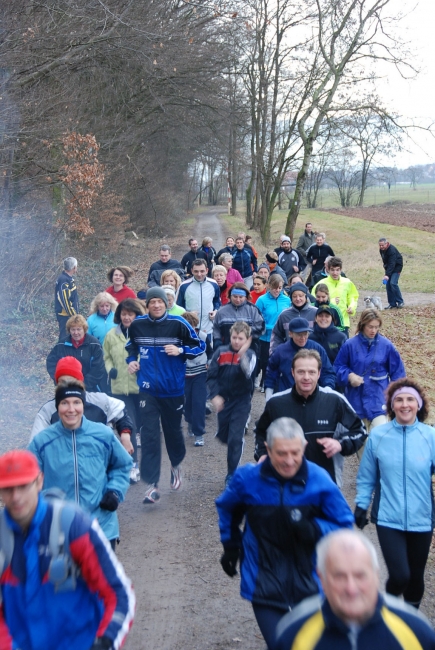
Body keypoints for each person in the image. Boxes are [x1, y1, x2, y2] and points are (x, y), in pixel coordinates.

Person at [216, 418, 354, 650]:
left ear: (304, 448)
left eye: (295, 453)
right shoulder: (248, 479)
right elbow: (228, 508)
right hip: (263, 577)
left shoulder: (319, 479)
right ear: (268, 450)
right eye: (281, 453)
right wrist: (230, 545)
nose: (289, 461)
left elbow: (344, 525)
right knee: (281, 645)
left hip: (311, 580)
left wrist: (314, 529)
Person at [0, 449, 135, 650]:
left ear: (39, 482)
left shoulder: (74, 526)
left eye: (23, 486)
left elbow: (119, 594)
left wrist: (106, 641)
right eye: (8, 488)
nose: (16, 497)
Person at [276, 529, 435, 650]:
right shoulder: (292, 635)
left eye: (360, 576)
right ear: (322, 578)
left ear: (376, 575)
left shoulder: (417, 632)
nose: (351, 589)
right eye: (339, 576)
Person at [355, 378, 435, 610]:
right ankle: (386, 614)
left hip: (422, 518)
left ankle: (410, 623)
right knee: (400, 575)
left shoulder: (430, 437)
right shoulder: (379, 437)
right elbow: (367, 476)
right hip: (388, 517)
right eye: (398, 400)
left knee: (416, 577)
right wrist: (361, 505)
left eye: (410, 399)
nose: (405, 404)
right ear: (391, 406)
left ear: (419, 404)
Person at [126, 287, 206, 504]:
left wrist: (180, 351)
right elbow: (130, 347)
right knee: (150, 435)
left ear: (166, 303)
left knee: (172, 433)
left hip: (172, 390)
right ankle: (152, 485)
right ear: (148, 305)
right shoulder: (138, 325)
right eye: (152, 302)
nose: (156, 305)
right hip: (147, 389)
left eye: (160, 302)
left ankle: (175, 466)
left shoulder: (179, 324)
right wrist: (131, 361)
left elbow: (200, 346)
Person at [29, 385, 132, 548]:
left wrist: (115, 492)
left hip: (101, 528)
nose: (71, 409)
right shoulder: (42, 442)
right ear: (57, 407)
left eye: (76, 402)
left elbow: (123, 464)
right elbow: (28, 478)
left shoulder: (103, 434)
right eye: (64, 403)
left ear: (83, 405)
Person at [255, 349, 366, 486]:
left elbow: (360, 431)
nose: (306, 377)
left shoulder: (334, 401)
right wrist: (263, 454)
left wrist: (340, 444)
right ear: (293, 373)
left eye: (311, 372)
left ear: (319, 373)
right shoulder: (276, 403)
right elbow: (260, 433)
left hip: (325, 486)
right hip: (284, 487)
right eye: (301, 372)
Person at [31, 356, 134, 459]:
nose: (67, 386)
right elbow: (35, 445)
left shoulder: (100, 401)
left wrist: (125, 435)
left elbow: (121, 414)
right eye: (62, 382)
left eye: (71, 381)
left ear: (80, 382)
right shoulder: (48, 410)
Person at [334, 308, 406, 431]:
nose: (373, 330)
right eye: (370, 327)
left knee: (380, 440)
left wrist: (395, 397)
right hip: (355, 401)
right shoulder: (350, 345)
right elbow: (338, 367)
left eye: (376, 327)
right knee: (359, 445)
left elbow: (398, 374)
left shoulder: (386, 346)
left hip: (378, 400)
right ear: (362, 325)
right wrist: (349, 376)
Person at [208, 321, 256, 484]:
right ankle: (227, 435)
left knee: (235, 438)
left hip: (241, 401)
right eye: (234, 337)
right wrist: (214, 396)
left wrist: (242, 355)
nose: (236, 341)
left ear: (247, 340)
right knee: (225, 436)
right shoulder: (220, 352)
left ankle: (232, 473)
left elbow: (248, 373)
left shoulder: (250, 355)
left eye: (240, 338)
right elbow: (211, 376)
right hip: (223, 400)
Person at [103, 298, 146, 482]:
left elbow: (148, 354)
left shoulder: (144, 333)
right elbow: (106, 357)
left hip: (141, 387)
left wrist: (141, 365)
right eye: (124, 314)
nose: (127, 317)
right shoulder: (111, 335)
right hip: (120, 387)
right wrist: (109, 369)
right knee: (129, 427)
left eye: (130, 314)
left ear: (137, 315)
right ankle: (132, 465)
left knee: (143, 426)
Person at [265, 318, 336, 395]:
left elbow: (327, 372)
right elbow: (271, 374)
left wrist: (327, 388)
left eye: (305, 334)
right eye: (299, 334)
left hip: (312, 397)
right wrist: (269, 395)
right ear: (290, 334)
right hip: (286, 397)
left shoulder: (317, 349)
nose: (303, 338)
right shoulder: (280, 351)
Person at [46, 314, 108, 392]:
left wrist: (83, 385)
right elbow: (51, 362)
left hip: (91, 388)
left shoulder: (94, 344)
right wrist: (60, 380)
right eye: (73, 329)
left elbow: (98, 368)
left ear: (84, 329)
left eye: (79, 329)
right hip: (67, 387)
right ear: (69, 330)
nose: (76, 332)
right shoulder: (61, 345)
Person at [177, 258, 220, 353]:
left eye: (202, 271)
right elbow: (178, 307)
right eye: (196, 271)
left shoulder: (213, 284)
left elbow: (217, 301)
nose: (199, 274)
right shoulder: (184, 286)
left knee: (208, 356)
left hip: (207, 328)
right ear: (191, 270)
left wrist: (216, 311)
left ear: (207, 270)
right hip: (190, 329)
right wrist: (188, 314)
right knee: (191, 355)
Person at [256, 275, 291, 392]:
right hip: (265, 338)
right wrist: (270, 327)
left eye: (280, 287)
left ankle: (274, 383)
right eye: (275, 287)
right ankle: (264, 382)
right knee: (265, 362)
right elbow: (256, 319)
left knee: (278, 360)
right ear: (269, 286)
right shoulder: (261, 300)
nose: (277, 290)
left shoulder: (287, 300)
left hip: (281, 337)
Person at [212, 283, 265, 352]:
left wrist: (245, 333)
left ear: (246, 297)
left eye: (241, 297)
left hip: (249, 349)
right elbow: (216, 328)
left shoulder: (253, 309)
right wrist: (217, 340)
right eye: (235, 296)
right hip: (226, 348)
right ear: (230, 296)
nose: (238, 299)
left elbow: (261, 327)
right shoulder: (222, 311)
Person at [312, 257, 358, 336]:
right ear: (328, 269)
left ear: (341, 270)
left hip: (343, 322)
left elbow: (353, 296)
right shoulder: (321, 284)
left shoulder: (347, 282)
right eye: (332, 270)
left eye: (337, 270)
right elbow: (313, 301)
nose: (335, 273)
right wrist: (330, 302)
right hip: (325, 321)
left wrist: (352, 307)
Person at [181, 311, 208, 447]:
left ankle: (199, 433)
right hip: (184, 375)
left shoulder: (202, 336)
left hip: (200, 373)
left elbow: (211, 351)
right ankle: (190, 421)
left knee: (199, 403)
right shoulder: (178, 338)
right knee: (187, 404)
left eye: (190, 325)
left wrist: (211, 364)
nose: (189, 328)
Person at [270, 283, 318, 353]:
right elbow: (276, 335)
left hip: (312, 354)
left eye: (300, 296)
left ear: (306, 296)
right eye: (294, 296)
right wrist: (275, 352)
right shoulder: (284, 315)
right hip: (290, 353)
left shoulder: (315, 312)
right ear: (291, 298)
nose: (298, 299)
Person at [55, 256, 79, 341]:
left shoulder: (68, 278)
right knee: (64, 338)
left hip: (68, 315)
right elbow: (65, 300)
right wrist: (74, 315)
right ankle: (62, 353)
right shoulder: (64, 280)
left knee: (70, 338)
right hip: (65, 316)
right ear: (74, 267)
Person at [379, 237, 404, 309]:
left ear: (386, 244)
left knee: (393, 283)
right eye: (380, 245)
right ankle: (392, 304)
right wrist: (386, 271)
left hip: (397, 267)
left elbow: (392, 263)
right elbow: (385, 261)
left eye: (382, 245)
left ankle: (400, 302)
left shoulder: (392, 250)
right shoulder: (381, 250)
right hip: (389, 268)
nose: (381, 247)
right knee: (388, 285)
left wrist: (387, 275)